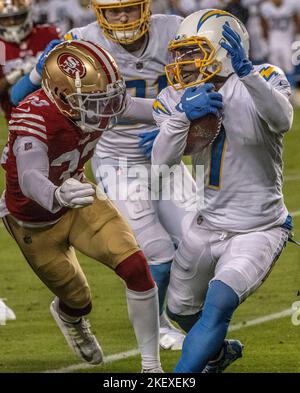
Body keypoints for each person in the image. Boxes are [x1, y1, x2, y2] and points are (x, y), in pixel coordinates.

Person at [11, 0, 193, 351]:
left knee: (195, 244)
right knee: (157, 251)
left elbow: (200, 83)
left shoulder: (174, 29)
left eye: (129, 8)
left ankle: (189, 315)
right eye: (114, 10)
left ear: (146, 7)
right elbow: (21, 97)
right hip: (117, 156)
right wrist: (38, 72)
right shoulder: (82, 40)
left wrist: (175, 127)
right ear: (100, 14)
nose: (122, 17)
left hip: (166, 152)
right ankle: (158, 325)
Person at [0, 39, 163, 373]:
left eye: (105, 97)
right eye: (93, 101)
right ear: (61, 97)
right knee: (78, 300)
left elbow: (138, 107)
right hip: (33, 222)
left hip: (80, 198)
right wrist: (57, 195)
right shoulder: (34, 114)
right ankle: (70, 317)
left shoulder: (93, 101)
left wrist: (180, 109)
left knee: (135, 267)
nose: (105, 110)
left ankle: (151, 367)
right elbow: (31, 176)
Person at [149, 8, 293, 372]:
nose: (183, 60)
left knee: (218, 304)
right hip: (207, 222)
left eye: (193, 50)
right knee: (180, 312)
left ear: (223, 49)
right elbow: (161, 162)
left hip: (258, 227)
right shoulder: (174, 97)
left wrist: (247, 75)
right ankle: (217, 353)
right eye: (180, 51)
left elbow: (282, 120)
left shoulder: (263, 76)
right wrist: (182, 116)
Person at [0, 0, 60, 125]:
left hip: (56, 112)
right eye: (6, 19)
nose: (12, 22)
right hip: (19, 120)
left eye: (17, 17)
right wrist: (18, 73)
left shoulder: (49, 33)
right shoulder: (1, 46)